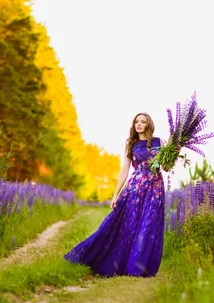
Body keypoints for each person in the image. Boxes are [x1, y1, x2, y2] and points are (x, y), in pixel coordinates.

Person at [64, 112, 165, 277]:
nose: (139, 124)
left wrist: (177, 149)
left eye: (143, 122)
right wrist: (115, 194)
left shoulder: (159, 142)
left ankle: (139, 267)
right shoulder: (131, 144)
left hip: (155, 189)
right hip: (135, 188)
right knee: (128, 224)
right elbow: (124, 170)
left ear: (149, 124)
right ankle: (111, 259)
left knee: (148, 224)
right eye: (136, 122)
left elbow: (166, 167)